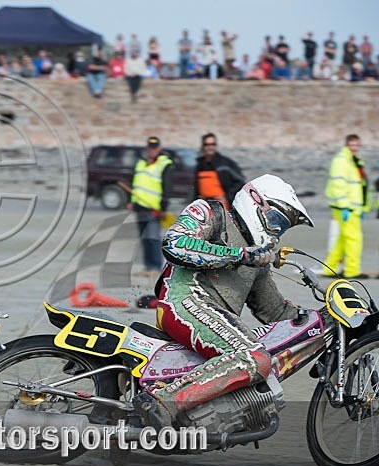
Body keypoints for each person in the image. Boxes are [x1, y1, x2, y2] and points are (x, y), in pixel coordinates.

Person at [132, 174, 314, 428]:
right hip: (184, 301)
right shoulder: (210, 212)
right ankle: (160, 402)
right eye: (276, 221)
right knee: (251, 356)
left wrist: (321, 319)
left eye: (282, 228)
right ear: (255, 200)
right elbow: (175, 245)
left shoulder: (256, 259)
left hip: (216, 318)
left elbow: (274, 311)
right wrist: (239, 255)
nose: (276, 232)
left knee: (260, 358)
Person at [323, 134, 371, 279]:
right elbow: (338, 185)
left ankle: (330, 268)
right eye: (352, 145)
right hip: (346, 208)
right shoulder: (341, 161)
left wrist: (363, 207)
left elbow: (361, 185)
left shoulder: (355, 160)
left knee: (343, 239)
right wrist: (344, 206)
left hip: (353, 207)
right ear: (346, 145)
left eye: (357, 145)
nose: (355, 148)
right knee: (354, 239)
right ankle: (352, 270)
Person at [128, 137, 175, 278]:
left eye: (155, 148)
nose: (152, 150)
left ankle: (155, 267)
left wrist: (164, 207)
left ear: (159, 149)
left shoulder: (164, 164)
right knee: (144, 238)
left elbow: (167, 187)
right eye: (150, 147)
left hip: (154, 208)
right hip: (140, 206)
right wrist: (132, 201)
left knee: (152, 238)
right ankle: (148, 267)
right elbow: (136, 184)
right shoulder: (141, 163)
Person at [194, 132, 244, 209]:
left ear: (215, 145)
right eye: (207, 144)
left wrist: (227, 197)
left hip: (221, 205)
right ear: (202, 146)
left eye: (212, 144)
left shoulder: (225, 163)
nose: (210, 147)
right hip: (202, 205)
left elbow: (240, 181)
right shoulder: (198, 164)